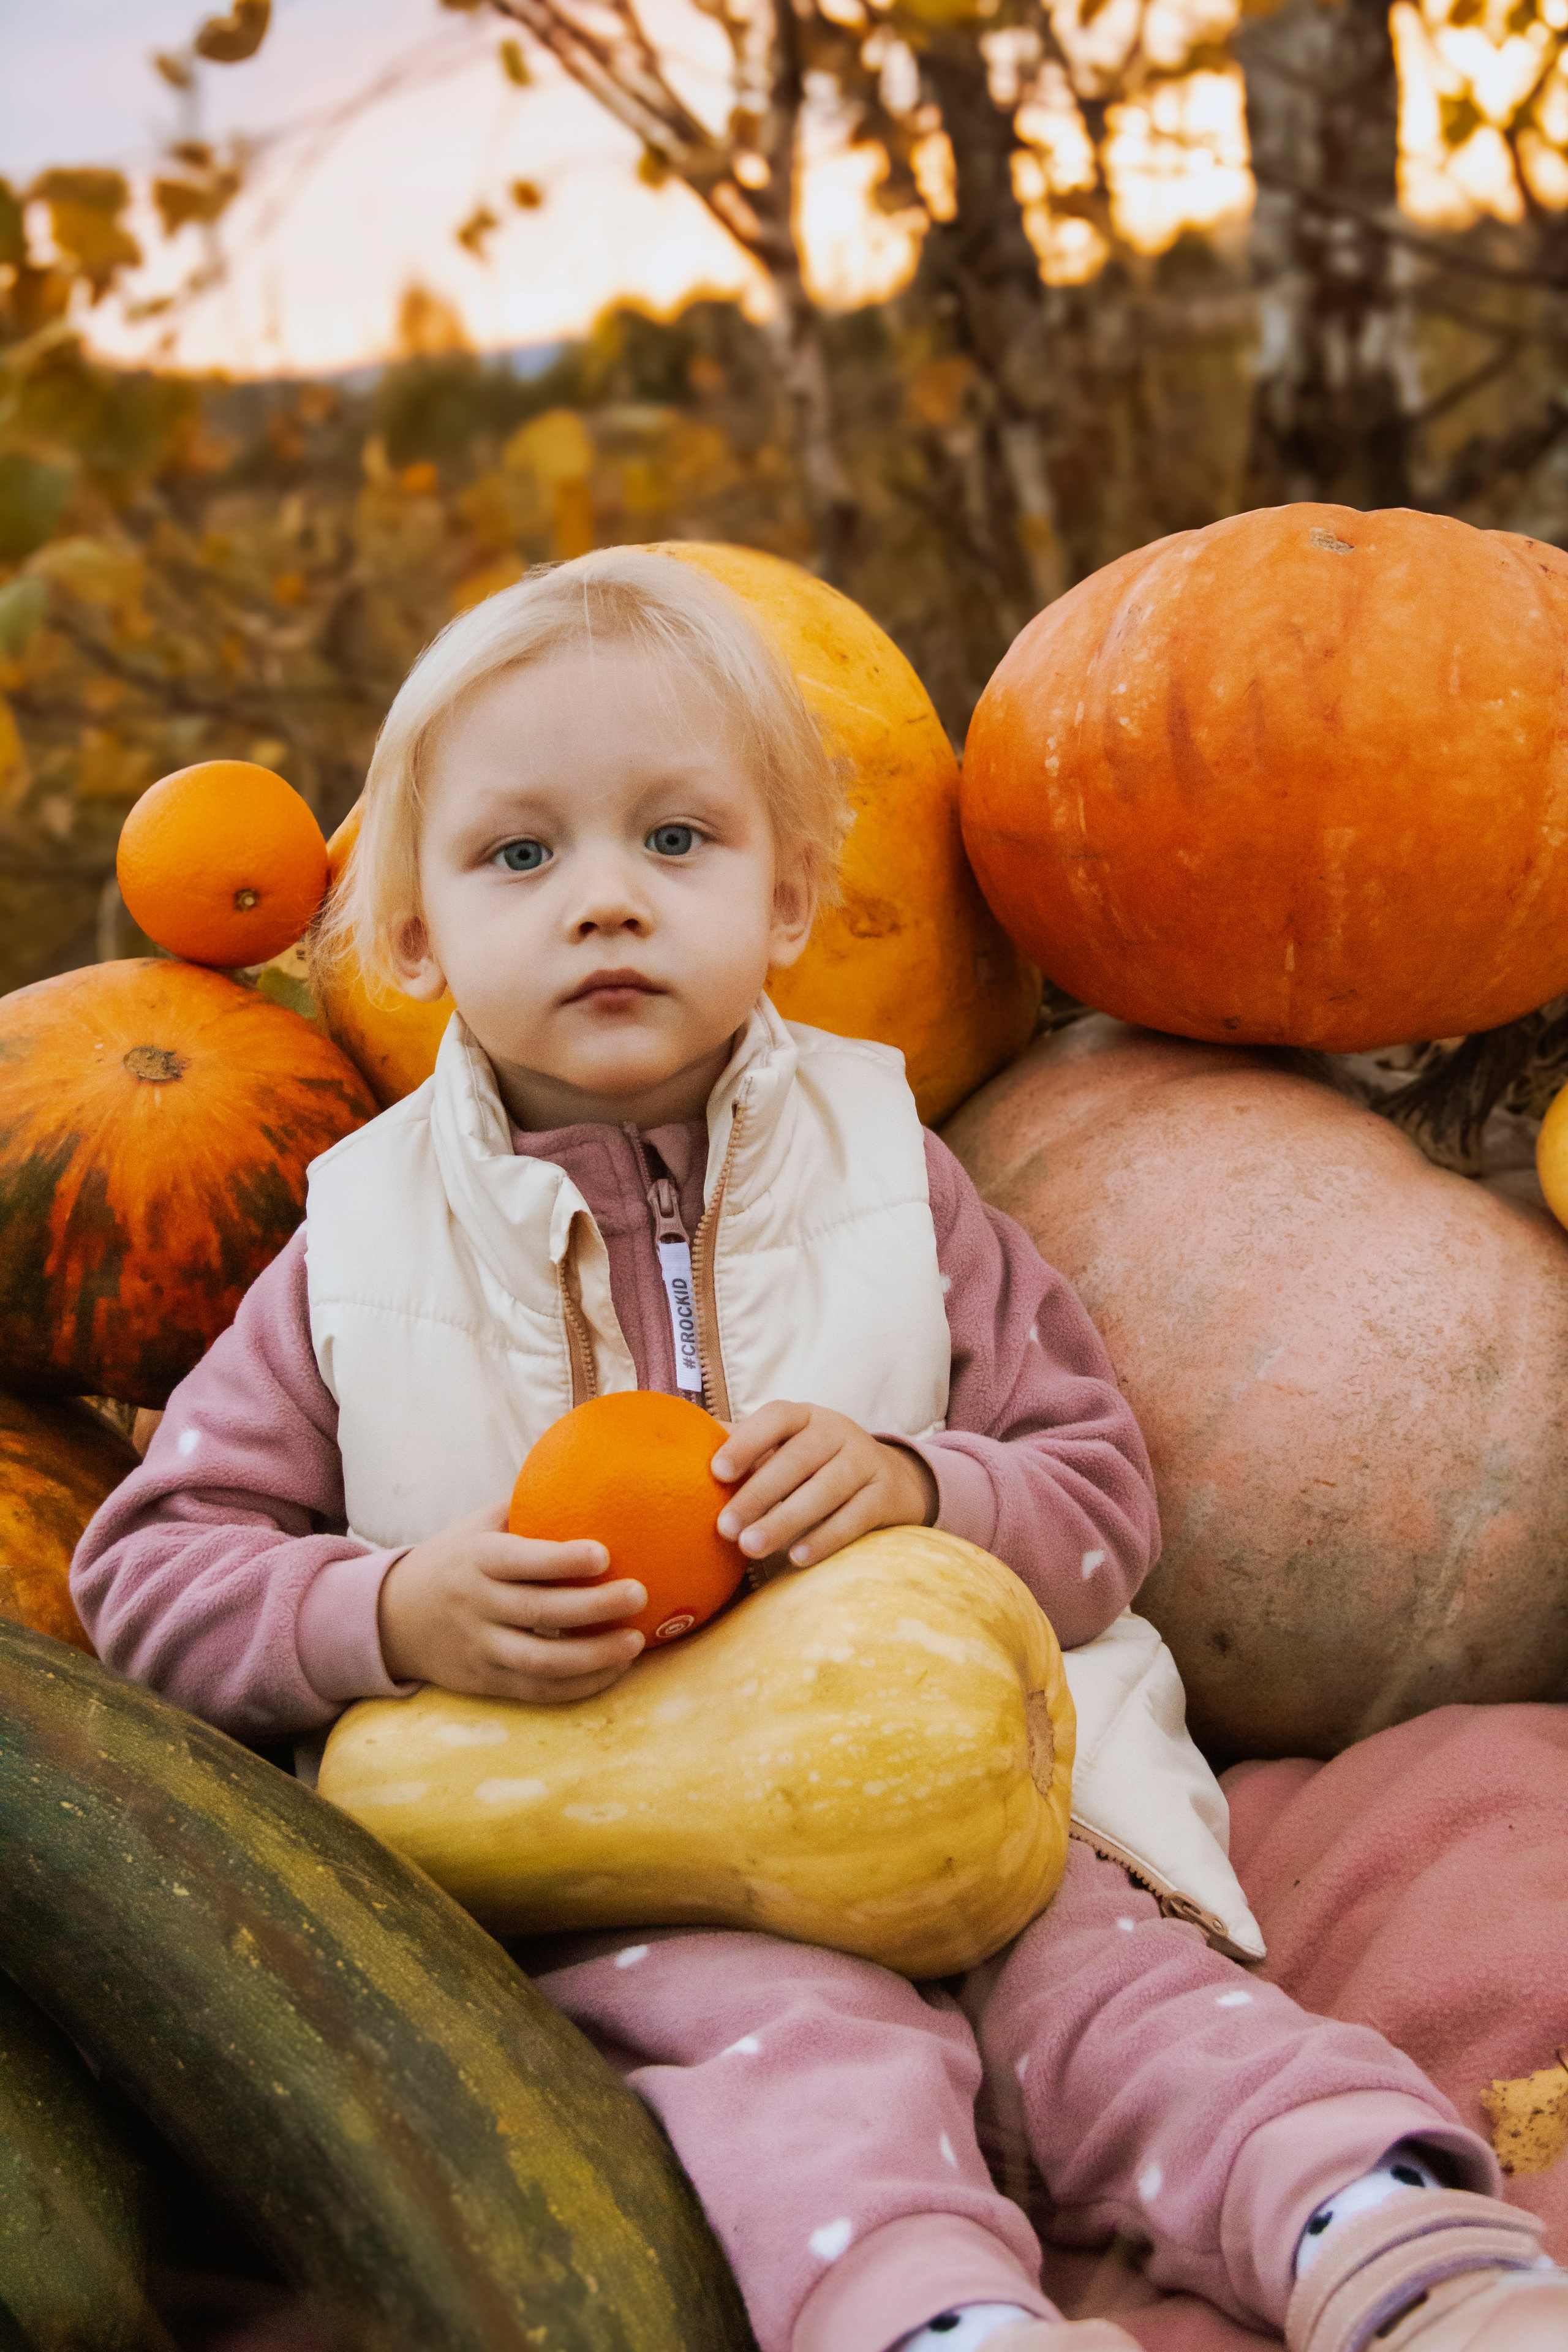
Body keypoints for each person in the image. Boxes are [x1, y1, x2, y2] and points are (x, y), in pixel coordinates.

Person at [74, 551, 1566, 2352]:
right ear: (406, 933)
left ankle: (1409, 2254)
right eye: (520, 855)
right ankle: (944, 2326)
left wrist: (928, 1486)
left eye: (678, 842)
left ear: (791, 898)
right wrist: (389, 1613)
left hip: (995, 1798)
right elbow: (147, 1578)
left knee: (1150, 2017)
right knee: (788, 2086)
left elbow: (1100, 1499)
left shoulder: (895, 1176)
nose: (607, 903)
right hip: (640, 1863)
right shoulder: (355, 1252)